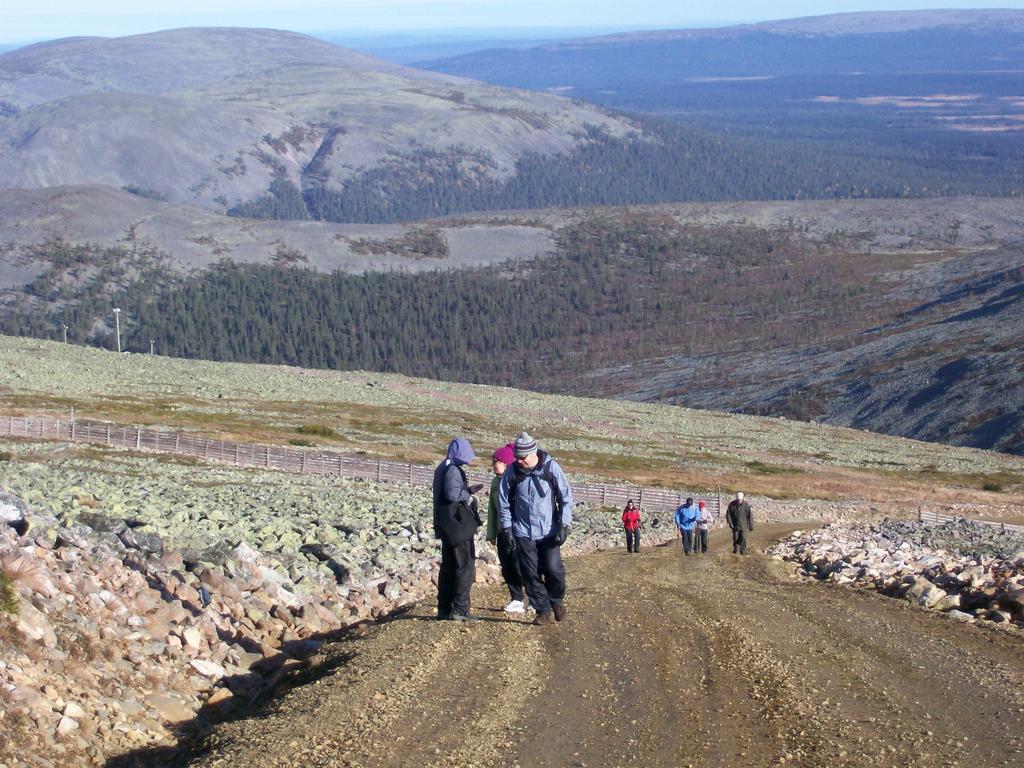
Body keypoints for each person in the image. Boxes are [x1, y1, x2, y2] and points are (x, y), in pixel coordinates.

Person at [497, 432, 574, 626]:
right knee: (529, 574)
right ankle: (542, 610)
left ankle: (556, 600)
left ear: (533, 453)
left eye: (522, 457)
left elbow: (565, 496)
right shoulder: (512, 472)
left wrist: (564, 524)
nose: (519, 461)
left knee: (553, 569)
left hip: (549, 530)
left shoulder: (550, 467)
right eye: (517, 457)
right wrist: (507, 528)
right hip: (523, 531)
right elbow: (503, 501)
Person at [432, 437, 483, 621]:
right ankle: (460, 609)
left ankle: (444, 609)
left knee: (448, 566)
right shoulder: (453, 470)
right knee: (464, 565)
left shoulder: (442, 467)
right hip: (457, 525)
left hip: (446, 526)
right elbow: (453, 494)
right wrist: (468, 493)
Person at [486, 442, 527, 613]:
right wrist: (492, 533)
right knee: (507, 566)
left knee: (523, 565)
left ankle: (534, 598)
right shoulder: (496, 483)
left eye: (497, 461)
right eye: (494, 461)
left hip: (519, 531)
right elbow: (492, 510)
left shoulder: (517, 481)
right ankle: (516, 598)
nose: (494, 465)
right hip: (503, 531)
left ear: (506, 463)